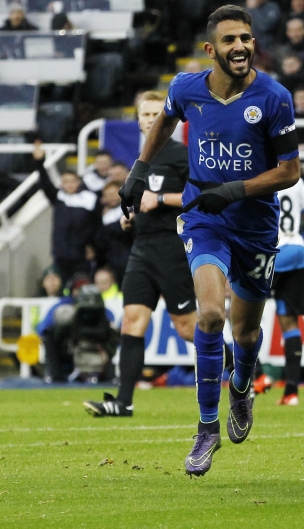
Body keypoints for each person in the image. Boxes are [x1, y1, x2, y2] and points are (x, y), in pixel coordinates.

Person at [119, 5, 300, 476]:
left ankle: (241, 386)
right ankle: (205, 429)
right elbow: (165, 121)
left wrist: (234, 191)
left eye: (246, 38)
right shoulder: (185, 88)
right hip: (205, 220)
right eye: (229, 40)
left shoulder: (275, 97)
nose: (239, 46)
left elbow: (289, 171)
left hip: (255, 224)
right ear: (210, 49)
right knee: (212, 314)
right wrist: (139, 171)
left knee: (245, 331)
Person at [83, 92, 194, 419]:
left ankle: (239, 367)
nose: (149, 119)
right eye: (144, 114)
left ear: (169, 118)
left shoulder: (180, 154)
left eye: (156, 113)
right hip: (142, 248)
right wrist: (130, 216)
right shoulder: (140, 160)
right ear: (138, 120)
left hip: (172, 248)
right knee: (132, 321)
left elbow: (202, 196)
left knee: (187, 328)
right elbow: (140, 201)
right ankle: (123, 402)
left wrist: (160, 200)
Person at [271, 178, 304, 405]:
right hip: (296, 250)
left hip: (270, 250)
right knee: (289, 321)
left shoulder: (259, 175)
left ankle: (257, 376)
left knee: (237, 310)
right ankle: (291, 392)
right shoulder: (295, 180)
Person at [32, 142, 96, 282]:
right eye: (66, 182)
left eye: (73, 181)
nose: (70, 185)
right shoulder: (59, 198)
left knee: (81, 284)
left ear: (79, 182)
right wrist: (39, 162)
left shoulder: (90, 199)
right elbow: (45, 183)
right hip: (60, 255)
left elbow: (95, 225)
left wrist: (92, 245)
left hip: (81, 256)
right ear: (62, 184)